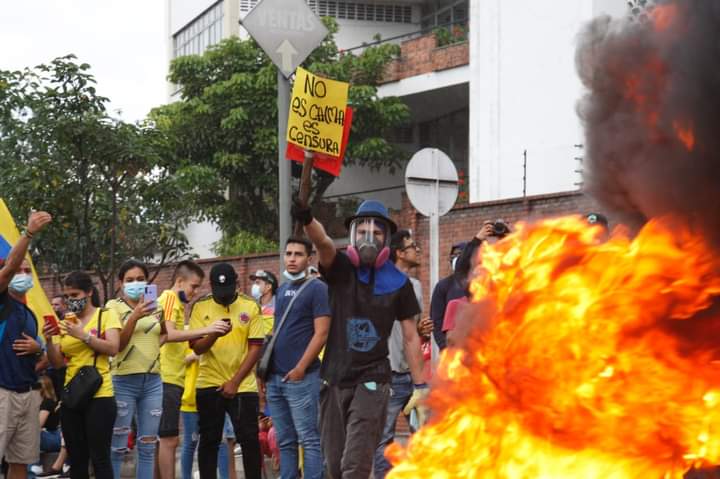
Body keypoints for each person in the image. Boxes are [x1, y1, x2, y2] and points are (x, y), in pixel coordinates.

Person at [292, 199, 427, 479]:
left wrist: (421, 386)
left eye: (377, 233)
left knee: (355, 465)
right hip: (334, 379)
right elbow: (325, 244)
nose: (369, 237)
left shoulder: (400, 284)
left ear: (387, 239)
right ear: (353, 235)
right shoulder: (341, 269)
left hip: (373, 380)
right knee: (334, 466)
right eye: (363, 231)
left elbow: (411, 337)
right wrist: (308, 220)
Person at [44, 271, 122, 479]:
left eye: (75, 295)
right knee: (77, 460)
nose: (71, 300)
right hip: (72, 396)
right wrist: (49, 341)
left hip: (100, 394)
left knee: (100, 458)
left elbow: (114, 347)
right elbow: (58, 362)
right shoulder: (65, 323)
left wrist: (83, 335)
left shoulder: (105, 315)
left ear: (88, 292)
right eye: (68, 296)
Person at [190, 263, 264, 479]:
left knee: (249, 440)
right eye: (219, 290)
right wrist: (214, 333)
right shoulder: (200, 307)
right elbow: (197, 347)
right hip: (208, 382)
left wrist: (235, 381)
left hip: (242, 385)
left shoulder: (250, 306)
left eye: (229, 289)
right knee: (209, 441)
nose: (224, 295)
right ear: (211, 286)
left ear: (237, 285)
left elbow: (256, 348)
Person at [265, 237, 330, 479]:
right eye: (288, 253)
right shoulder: (281, 290)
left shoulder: (318, 289)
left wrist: (301, 368)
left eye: (298, 254)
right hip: (276, 379)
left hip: (303, 378)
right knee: (285, 441)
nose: (292, 259)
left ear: (309, 259)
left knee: (309, 439)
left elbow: (322, 332)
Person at [157, 260, 226, 479]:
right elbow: (169, 334)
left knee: (165, 438)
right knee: (168, 439)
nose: (195, 292)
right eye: (193, 286)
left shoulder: (177, 303)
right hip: (166, 376)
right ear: (179, 281)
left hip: (174, 377)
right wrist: (206, 329)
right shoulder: (169, 298)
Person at [373, 229, 429, 479]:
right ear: (399, 253)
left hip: (412, 375)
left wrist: (421, 330)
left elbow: (410, 331)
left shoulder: (415, 285)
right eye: (412, 245)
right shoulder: (381, 283)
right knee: (384, 437)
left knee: (423, 433)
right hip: (389, 374)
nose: (417, 249)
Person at [0, 210, 51, 479]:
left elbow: (43, 362)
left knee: (20, 464)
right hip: (2, 394)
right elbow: (7, 268)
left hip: (26, 395)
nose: (22, 273)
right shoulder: (2, 302)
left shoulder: (30, 315)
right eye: (17, 270)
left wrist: (40, 349)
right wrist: (28, 233)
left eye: (26, 270)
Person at [105, 259, 165, 479]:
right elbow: (117, 345)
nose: (136, 283)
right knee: (118, 445)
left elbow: (164, 333)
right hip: (123, 381)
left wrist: (148, 352)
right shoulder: (112, 307)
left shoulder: (156, 306)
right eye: (129, 280)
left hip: (153, 382)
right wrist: (135, 316)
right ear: (120, 284)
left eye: (140, 279)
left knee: (148, 444)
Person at [179, 350, 232, 479]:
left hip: (216, 396)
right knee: (190, 442)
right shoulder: (188, 335)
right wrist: (197, 353)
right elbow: (180, 360)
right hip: (190, 400)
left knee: (221, 442)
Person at [430, 241, 468, 350]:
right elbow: (436, 321)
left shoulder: (480, 284)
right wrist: (444, 348)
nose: (456, 258)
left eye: (459, 254)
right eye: (453, 256)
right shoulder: (443, 286)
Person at [28, 375, 62, 478]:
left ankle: (33, 467)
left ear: (42, 389)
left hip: (52, 436)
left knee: (28, 435)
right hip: (53, 436)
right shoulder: (51, 401)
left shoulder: (47, 402)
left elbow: (39, 424)